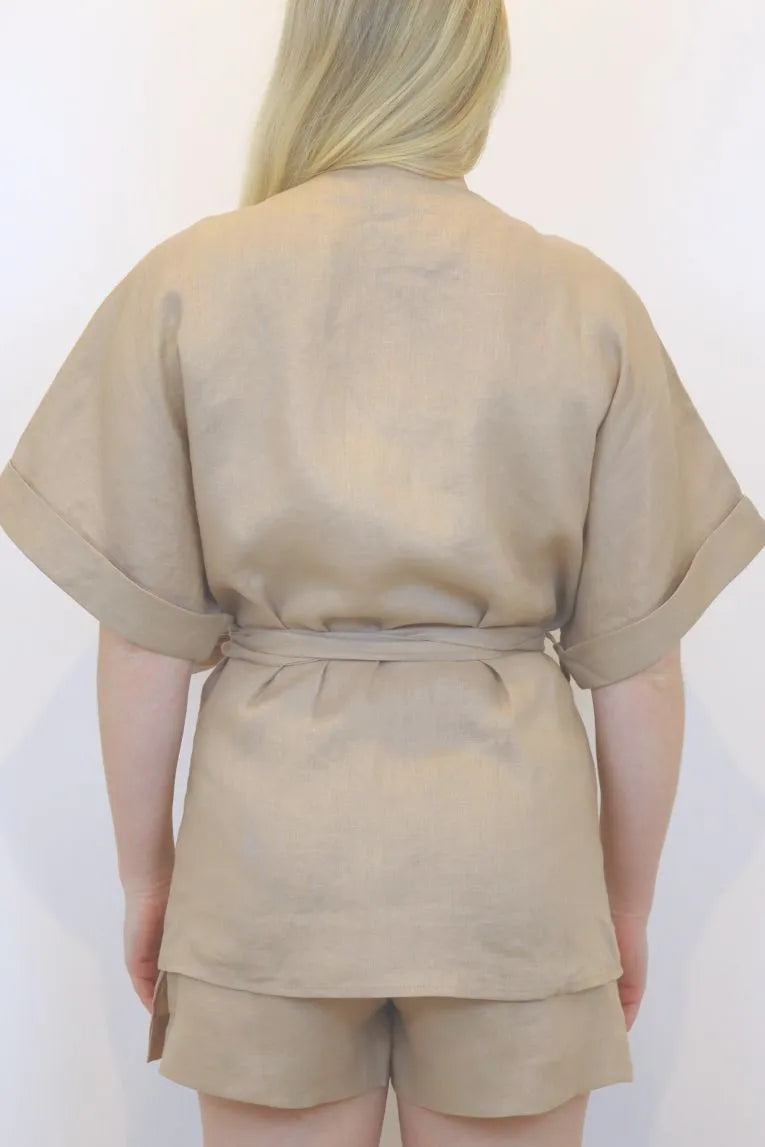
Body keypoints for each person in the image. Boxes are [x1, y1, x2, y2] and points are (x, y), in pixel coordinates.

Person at [1, 1, 763, 1144]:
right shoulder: (584, 300)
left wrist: (150, 880)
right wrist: (625, 905)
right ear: (473, 69)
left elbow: (143, 641)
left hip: (269, 864)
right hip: (512, 867)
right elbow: (641, 670)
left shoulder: (187, 283)